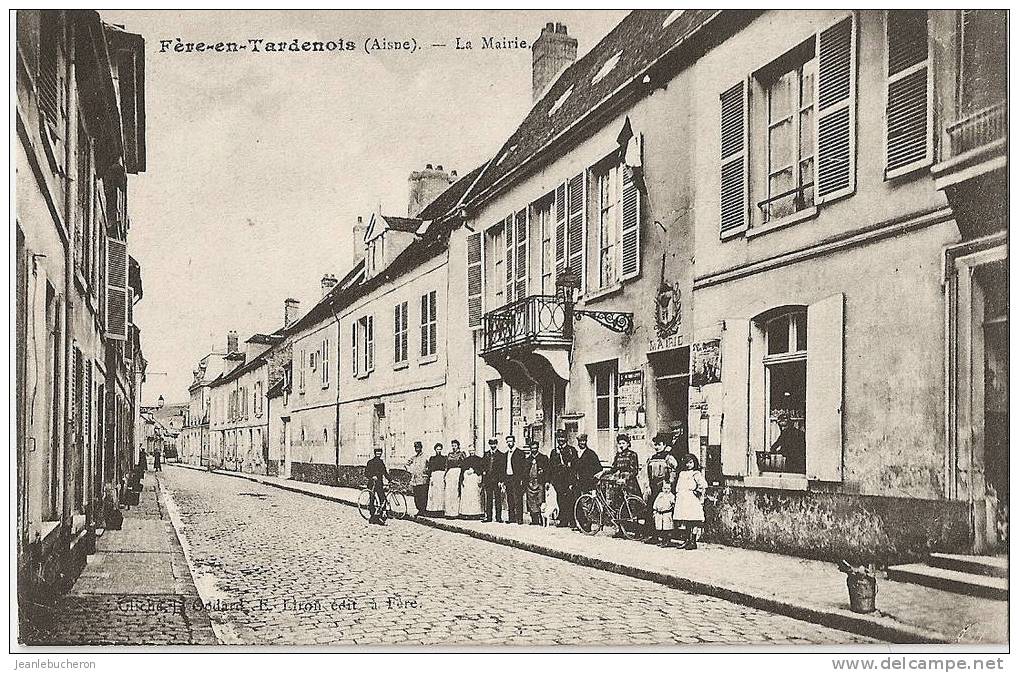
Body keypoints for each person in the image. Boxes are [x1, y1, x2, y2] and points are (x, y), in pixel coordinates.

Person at [644, 432, 680, 542]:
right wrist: (648, 486)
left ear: (664, 445)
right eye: (655, 444)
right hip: (653, 486)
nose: (657, 447)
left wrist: (669, 484)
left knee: (665, 512)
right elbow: (647, 473)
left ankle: (666, 537)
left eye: (659, 444)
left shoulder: (668, 458)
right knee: (652, 510)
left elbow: (674, 470)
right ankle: (654, 535)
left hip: (664, 487)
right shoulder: (652, 458)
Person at [673, 453, 708, 549]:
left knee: (693, 520)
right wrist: (677, 494)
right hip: (683, 498)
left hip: (691, 498)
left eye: (690, 463)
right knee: (686, 520)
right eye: (686, 463)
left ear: (694, 463)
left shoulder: (696, 473)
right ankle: (686, 540)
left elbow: (703, 484)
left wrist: (698, 491)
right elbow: (678, 486)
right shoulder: (682, 473)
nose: (688, 465)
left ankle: (693, 541)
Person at [548, 429, 579, 528]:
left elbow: (575, 467)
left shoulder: (571, 450)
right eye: (559, 437)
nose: (561, 439)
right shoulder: (554, 452)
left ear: (566, 438)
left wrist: (572, 481)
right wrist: (551, 481)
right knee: (560, 500)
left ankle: (572, 520)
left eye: (563, 437)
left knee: (570, 500)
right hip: (558, 481)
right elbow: (551, 467)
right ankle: (563, 520)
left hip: (568, 480)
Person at [523, 440, 550, 525]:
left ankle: (541, 519)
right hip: (530, 483)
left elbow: (548, 471)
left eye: (535, 448)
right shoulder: (527, 459)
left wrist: (547, 481)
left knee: (540, 500)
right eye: (532, 448)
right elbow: (524, 472)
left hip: (540, 482)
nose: (534, 450)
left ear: (538, 448)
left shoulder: (543, 458)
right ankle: (534, 520)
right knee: (531, 501)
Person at [481, 438, 506, 523]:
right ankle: (489, 517)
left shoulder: (501, 455)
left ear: (496, 444)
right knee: (489, 499)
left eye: (494, 444)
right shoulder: (486, 454)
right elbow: (483, 466)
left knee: (498, 499)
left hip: (497, 480)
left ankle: (498, 517)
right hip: (488, 480)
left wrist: (501, 481)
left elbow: (502, 470)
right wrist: (484, 478)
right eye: (491, 444)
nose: (493, 446)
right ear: (489, 445)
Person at [364, 447, 391, 525]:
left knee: (383, 498)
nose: (378, 454)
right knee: (372, 500)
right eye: (377, 453)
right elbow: (366, 473)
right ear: (374, 453)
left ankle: (382, 514)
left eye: (380, 453)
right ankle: (372, 516)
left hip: (379, 484)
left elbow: (385, 472)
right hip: (372, 484)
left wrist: (390, 479)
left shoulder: (381, 462)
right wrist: (372, 476)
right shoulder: (370, 462)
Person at [506, 435, 528, 525]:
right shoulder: (506, 453)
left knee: (518, 498)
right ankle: (511, 518)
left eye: (510, 441)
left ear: (514, 442)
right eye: (507, 441)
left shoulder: (520, 453)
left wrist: (522, 479)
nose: (509, 443)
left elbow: (523, 468)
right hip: (508, 477)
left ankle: (519, 518)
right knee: (509, 498)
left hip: (516, 479)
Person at [459, 446, 484, 520]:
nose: (471, 452)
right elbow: (462, 470)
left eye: (473, 450)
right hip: (467, 481)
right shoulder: (466, 460)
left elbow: (481, 469)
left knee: (475, 497)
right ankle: (467, 513)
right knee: (468, 497)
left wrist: (475, 471)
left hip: (475, 481)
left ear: (475, 450)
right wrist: (462, 480)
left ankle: (476, 514)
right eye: (470, 451)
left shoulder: (479, 459)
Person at [444, 439, 467, 519]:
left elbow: (465, 464)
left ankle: (456, 512)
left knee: (456, 492)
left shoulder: (461, 454)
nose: (454, 447)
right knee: (449, 493)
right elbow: (447, 465)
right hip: (450, 474)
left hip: (458, 473)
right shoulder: (449, 454)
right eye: (452, 446)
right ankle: (449, 512)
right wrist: (445, 475)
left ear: (458, 446)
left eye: (455, 446)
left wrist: (463, 475)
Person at [405, 441, 429, 515]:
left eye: (418, 447)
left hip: (423, 479)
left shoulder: (425, 456)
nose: (417, 449)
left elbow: (430, 465)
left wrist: (426, 471)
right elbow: (406, 465)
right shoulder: (414, 458)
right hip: (415, 480)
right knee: (416, 496)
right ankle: (419, 509)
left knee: (423, 495)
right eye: (416, 448)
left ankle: (423, 510)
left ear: (421, 448)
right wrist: (410, 471)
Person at [424, 443, 446, 517]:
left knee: (441, 493)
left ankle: (441, 510)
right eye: (437, 449)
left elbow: (445, 468)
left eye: (440, 449)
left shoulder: (444, 458)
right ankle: (434, 510)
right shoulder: (432, 458)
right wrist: (430, 477)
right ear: (435, 449)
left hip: (441, 476)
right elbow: (430, 469)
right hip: (435, 476)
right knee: (434, 493)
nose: (439, 451)